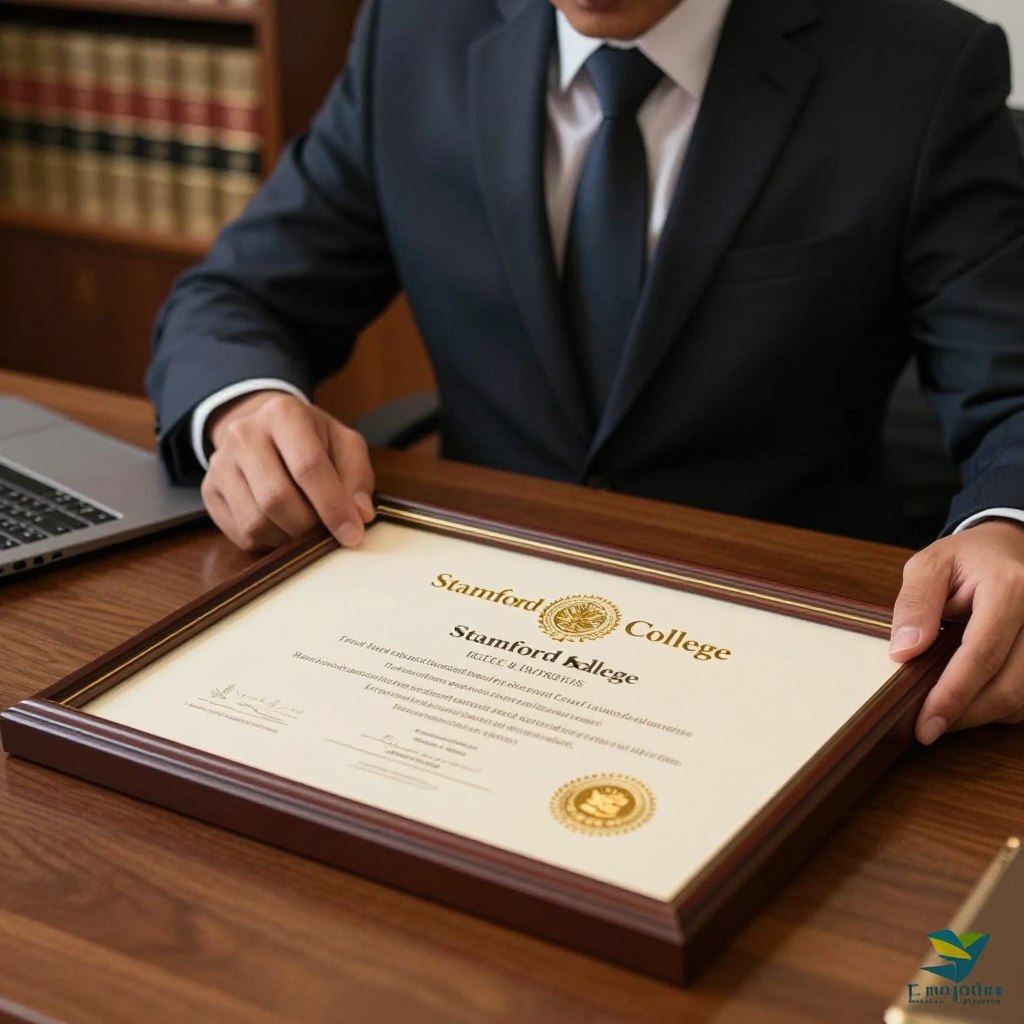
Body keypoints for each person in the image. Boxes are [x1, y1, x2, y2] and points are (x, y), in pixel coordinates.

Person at [147, 0, 1024, 745]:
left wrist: (1008, 527)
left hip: (779, 634)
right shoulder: (414, 28)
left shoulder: (921, 68)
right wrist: (245, 405)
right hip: (461, 609)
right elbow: (237, 298)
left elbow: (1012, 390)